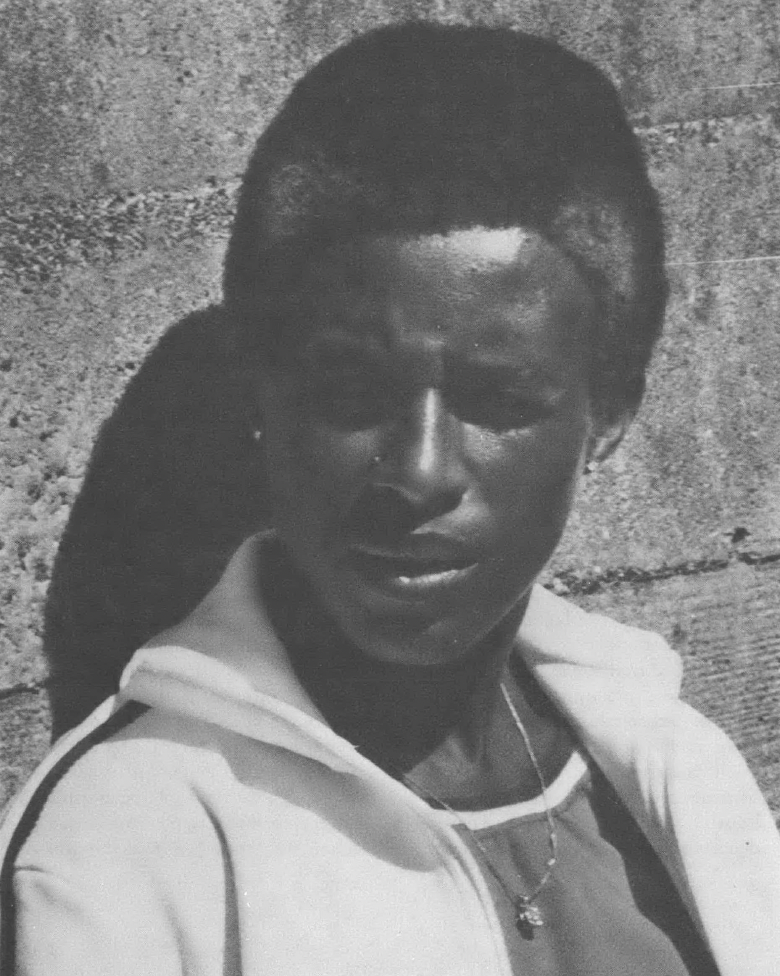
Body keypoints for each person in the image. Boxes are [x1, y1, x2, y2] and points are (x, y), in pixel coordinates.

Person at [1, 21, 778, 976]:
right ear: (260, 392)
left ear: (607, 414)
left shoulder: (676, 772)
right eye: (351, 392)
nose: (416, 474)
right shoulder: (125, 849)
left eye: (498, 401)